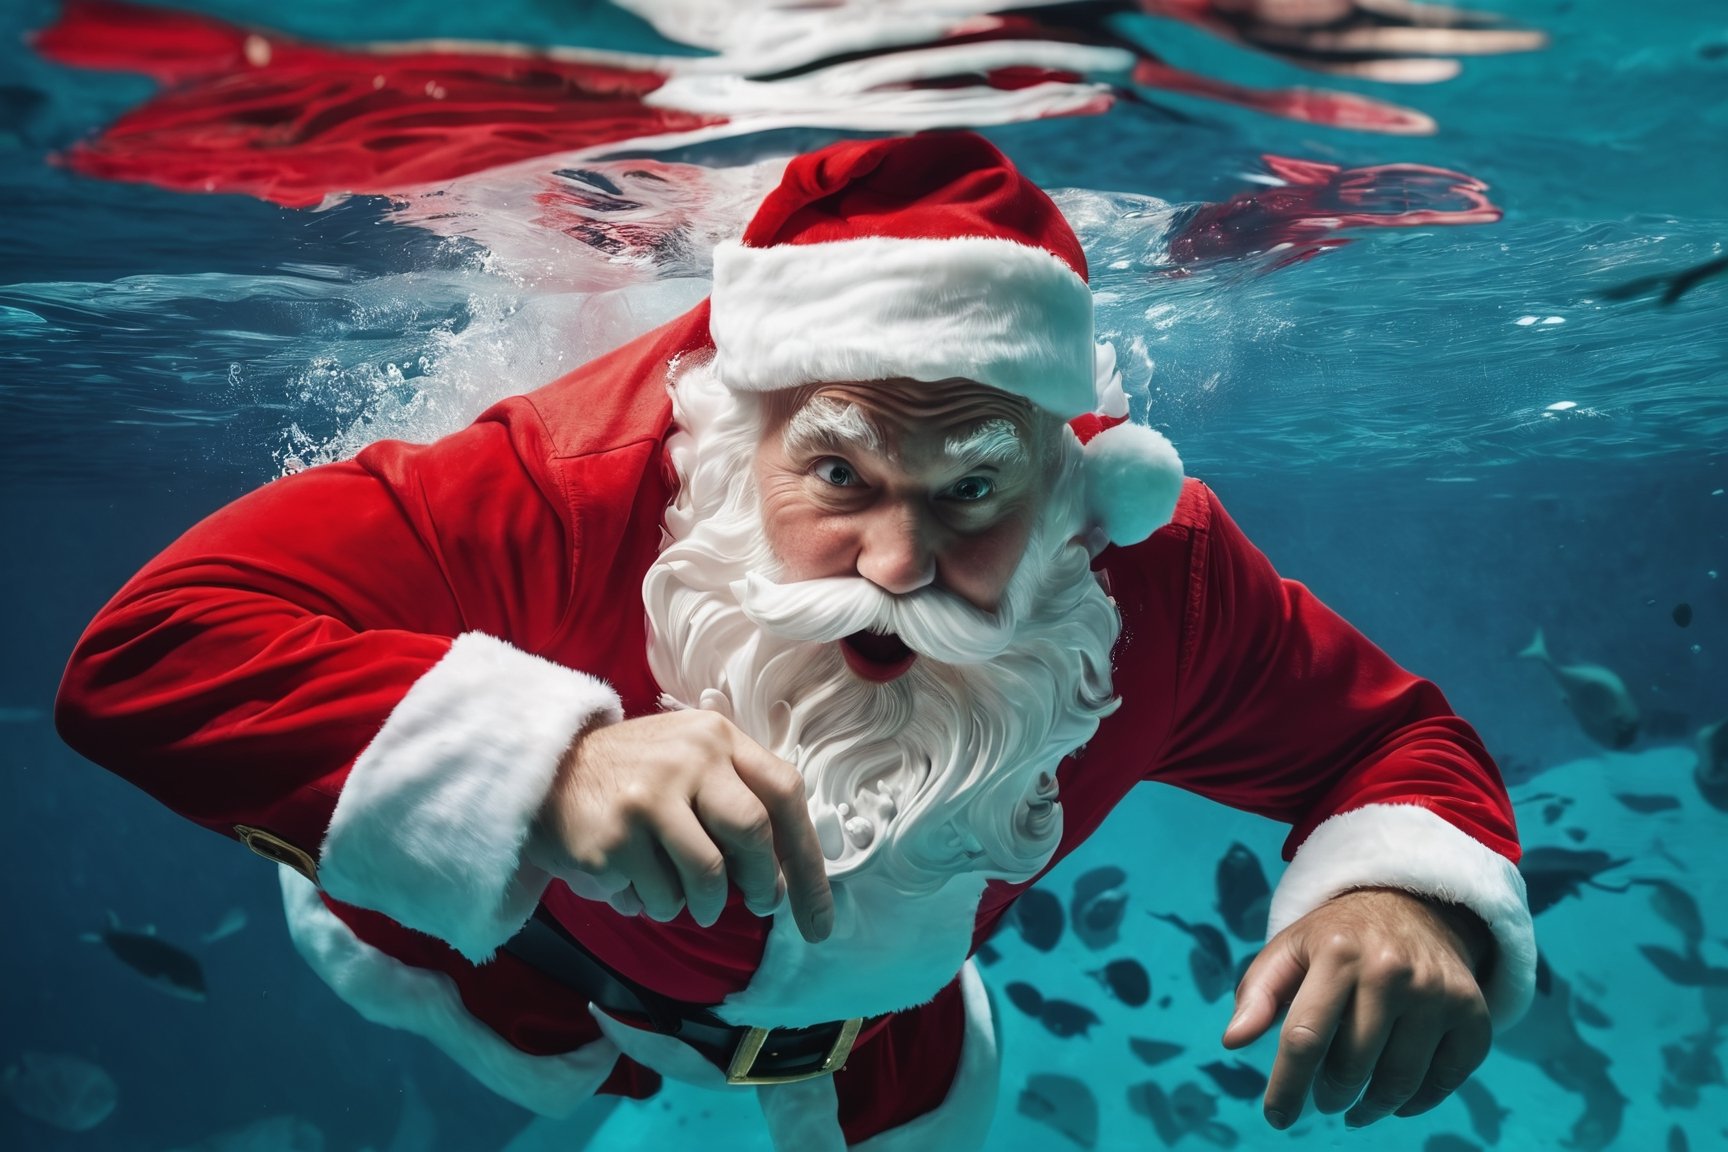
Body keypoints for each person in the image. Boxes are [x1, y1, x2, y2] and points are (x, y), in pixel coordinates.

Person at [56, 131, 1535, 1151]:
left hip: (890, 1046)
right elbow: (150, 649)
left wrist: (1406, 906)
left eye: (972, 493)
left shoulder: (1157, 570)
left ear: (1064, 464)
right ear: (735, 428)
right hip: (525, 974)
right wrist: (551, 760)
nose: (900, 566)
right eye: (837, 476)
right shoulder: (566, 489)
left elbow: (1386, 742)